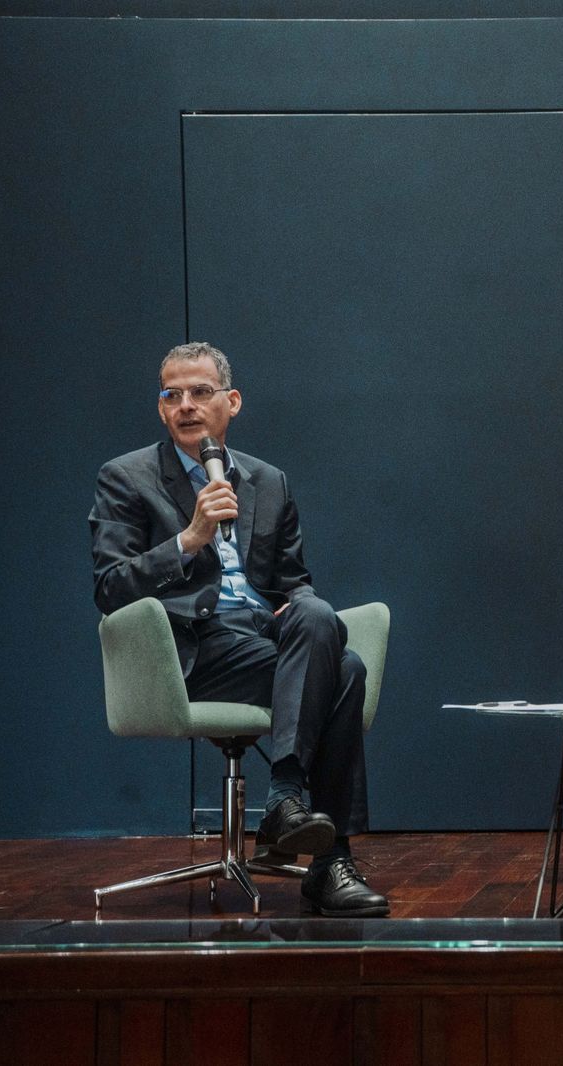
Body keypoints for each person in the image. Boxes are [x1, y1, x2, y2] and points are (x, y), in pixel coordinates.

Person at [90, 342, 388, 917]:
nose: (185, 405)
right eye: (170, 394)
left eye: (200, 392)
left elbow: (294, 583)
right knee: (346, 673)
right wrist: (189, 538)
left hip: (260, 637)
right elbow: (110, 585)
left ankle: (287, 804)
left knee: (318, 616)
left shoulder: (268, 482)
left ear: (232, 402)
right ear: (161, 409)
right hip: (189, 647)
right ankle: (327, 857)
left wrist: (298, 611)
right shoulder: (126, 478)